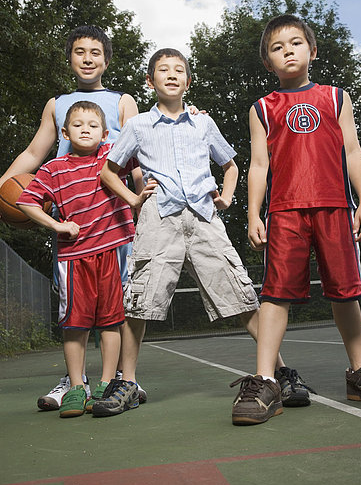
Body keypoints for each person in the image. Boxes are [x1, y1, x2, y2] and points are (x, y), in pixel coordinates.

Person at [92, 47, 309, 417]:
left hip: (205, 220)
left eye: (179, 70)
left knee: (241, 296)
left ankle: (276, 374)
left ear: (188, 81)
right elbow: (108, 171)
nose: (171, 75)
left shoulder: (203, 123)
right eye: (163, 70)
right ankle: (126, 382)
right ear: (151, 81)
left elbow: (231, 165)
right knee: (139, 302)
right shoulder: (138, 126)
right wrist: (133, 199)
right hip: (159, 220)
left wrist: (225, 197)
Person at [230, 14, 361, 426]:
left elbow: (354, 152)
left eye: (295, 43)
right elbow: (257, 165)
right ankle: (266, 379)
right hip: (285, 211)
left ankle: (360, 372)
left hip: (334, 208)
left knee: (346, 292)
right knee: (275, 295)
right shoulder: (263, 108)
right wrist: (253, 212)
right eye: (277, 47)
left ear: (312, 50)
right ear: (268, 63)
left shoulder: (337, 97)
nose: (288, 50)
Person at [0, 25, 147, 409]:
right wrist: (2, 183)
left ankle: (122, 379)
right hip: (72, 223)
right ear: (69, 59)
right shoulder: (57, 103)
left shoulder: (122, 101)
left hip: (114, 221)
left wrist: (142, 201)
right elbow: (34, 154)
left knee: (120, 302)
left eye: (95, 52)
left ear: (107, 60)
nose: (87, 58)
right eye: (79, 52)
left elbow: (138, 158)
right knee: (74, 307)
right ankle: (74, 379)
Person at [17, 101, 150, 417]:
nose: (85, 130)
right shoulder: (53, 169)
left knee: (111, 321)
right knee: (75, 325)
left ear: (105, 134)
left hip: (113, 252)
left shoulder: (112, 157)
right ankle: (77, 387)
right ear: (64, 132)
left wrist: (188, 112)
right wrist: (57, 224)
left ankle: (105, 384)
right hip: (74, 257)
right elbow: (26, 202)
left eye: (93, 125)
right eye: (77, 125)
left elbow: (151, 141)